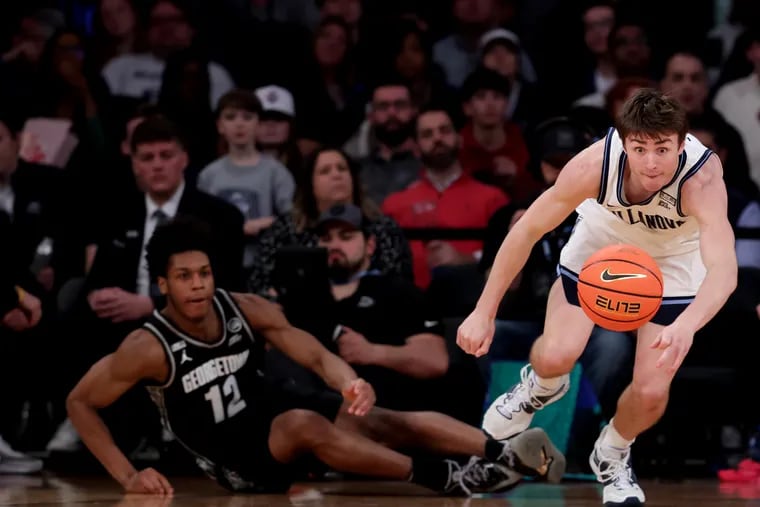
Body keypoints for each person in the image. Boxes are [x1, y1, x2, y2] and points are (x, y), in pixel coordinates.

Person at [66, 217, 567, 496]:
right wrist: (129, 476)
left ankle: (505, 452)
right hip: (233, 461)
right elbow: (80, 403)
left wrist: (351, 381)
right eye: (183, 277)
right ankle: (447, 479)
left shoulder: (243, 307)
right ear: (161, 284)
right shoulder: (147, 346)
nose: (197, 285)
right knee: (304, 422)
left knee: (381, 418)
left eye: (203, 273)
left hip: (269, 417)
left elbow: (309, 349)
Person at [457, 88, 738, 506]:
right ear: (624, 143)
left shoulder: (702, 180)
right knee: (556, 355)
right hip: (602, 243)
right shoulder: (592, 165)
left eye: (663, 149)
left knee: (651, 392)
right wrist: (484, 310)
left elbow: (725, 270)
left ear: (681, 144)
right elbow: (527, 230)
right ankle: (539, 387)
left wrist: (686, 325)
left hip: (674, 261)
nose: (651, 162)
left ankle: (613, 452)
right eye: (640, 148)